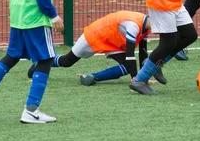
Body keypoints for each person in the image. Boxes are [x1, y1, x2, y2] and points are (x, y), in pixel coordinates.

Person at [26, 11, 166, 86]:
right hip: (96, 34)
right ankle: (40, 63)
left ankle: (92, 77)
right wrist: (137, 80)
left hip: (111, 41)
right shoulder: (133, 26)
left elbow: (143, 55)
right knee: (67, 61)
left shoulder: (147, 27)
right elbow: (130, 56)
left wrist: (144, 77)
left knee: (127, 66)